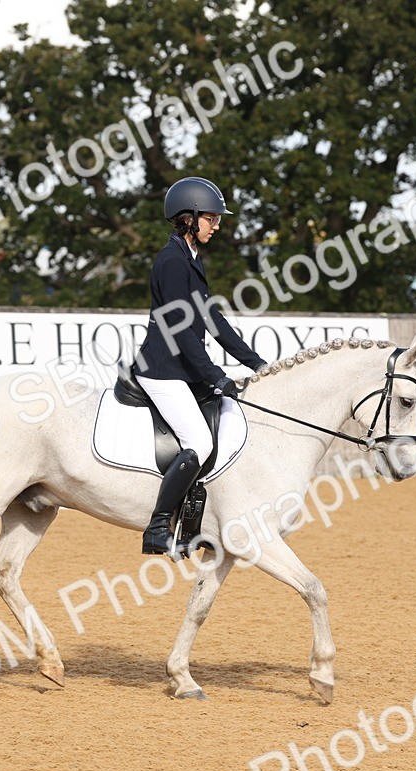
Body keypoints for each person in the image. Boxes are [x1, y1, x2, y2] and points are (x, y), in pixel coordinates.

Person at [131, 176, 268, 555]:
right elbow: (180, 331)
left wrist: (256, 363)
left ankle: (197, 523)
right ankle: (158, 526)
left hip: (183, 370)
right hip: (162, 370)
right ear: (188, 218)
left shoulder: (191, 260)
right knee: (199, 441)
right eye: (211, 218)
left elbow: (213, 320)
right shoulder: (172, 262)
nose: (217, 225)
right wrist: (215, 376)